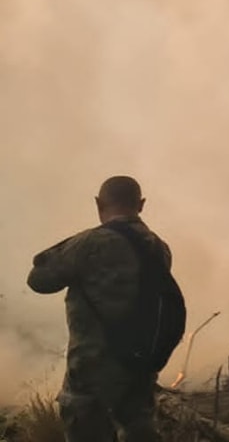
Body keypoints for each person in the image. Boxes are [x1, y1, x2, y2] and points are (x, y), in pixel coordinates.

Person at [27, 176, 173, 442]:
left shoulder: (89, 243)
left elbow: (38, 281)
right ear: (141, 204)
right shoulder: (159, 248)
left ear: (98, 203)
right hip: (139, 371)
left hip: (90, 376)